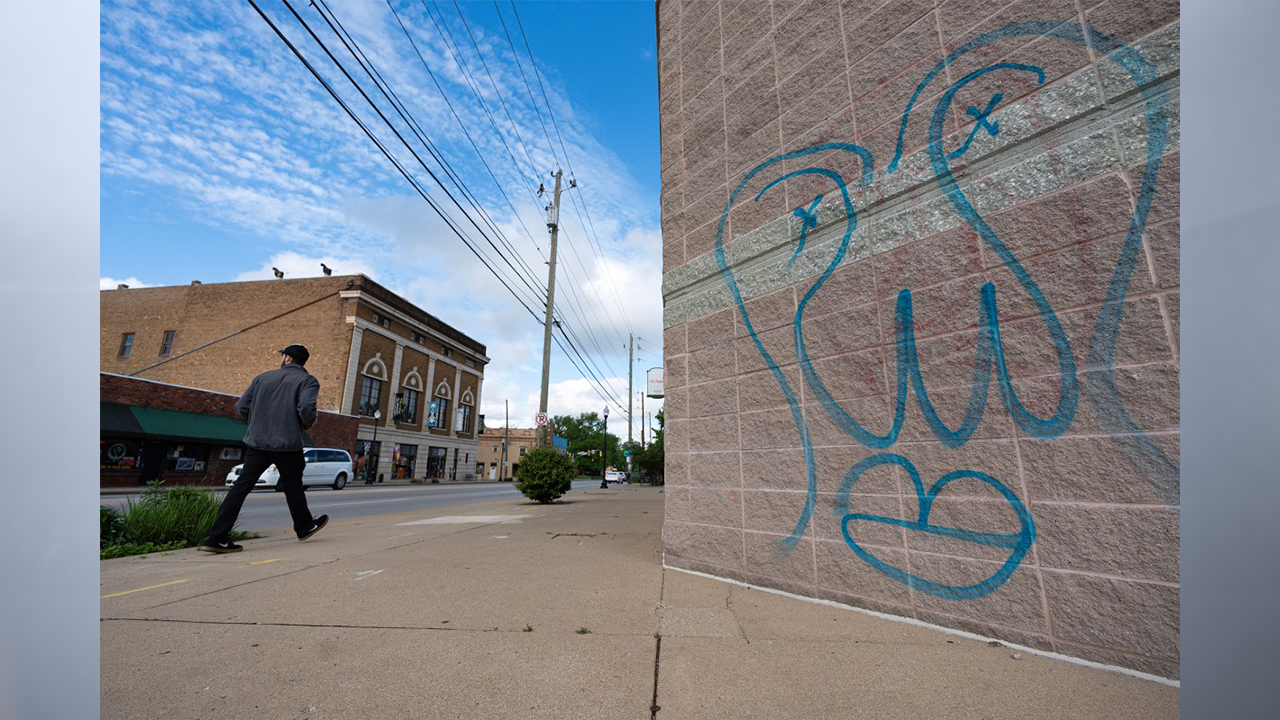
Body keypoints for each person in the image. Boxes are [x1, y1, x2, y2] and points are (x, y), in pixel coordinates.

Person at [200, 344, 329, 553]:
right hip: (287, 444)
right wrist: (308, 422)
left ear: (287, 358)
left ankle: (217, 537)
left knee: (240, 488)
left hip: (257, 443)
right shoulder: (308, 381)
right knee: (293, 487)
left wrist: (257, 423)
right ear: (302, 361)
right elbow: (306, 408)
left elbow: (241, 406)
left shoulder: (262, 378)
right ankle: (304, 526)